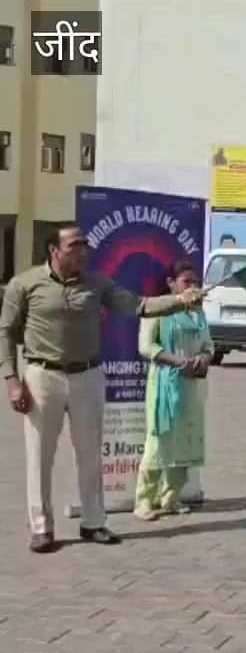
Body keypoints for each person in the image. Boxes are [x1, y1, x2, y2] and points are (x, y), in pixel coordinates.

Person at [0, 227, 203, 552]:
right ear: (55, 250)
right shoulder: (24, 284)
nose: (82, 250)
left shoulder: (98, 284)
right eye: (74, 245)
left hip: (88, 375)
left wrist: (180, 301)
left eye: (85, 244)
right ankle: (41, 528)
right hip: (42, 375)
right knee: (40, 455)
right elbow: (6, 333)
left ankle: (93, 522)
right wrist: (12, 381)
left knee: (91, 454)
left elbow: (139, 305)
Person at [134, 261, 215, 522]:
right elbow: (146, 347)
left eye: (196, 283)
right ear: (171, 283)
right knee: (159, 442)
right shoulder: (157, 308)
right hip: (165, 385)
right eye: (186, 282)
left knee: (185, 440)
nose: (192, 287)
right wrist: (179, 362)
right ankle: (145, 500)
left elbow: (208, 345)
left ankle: (170, 498)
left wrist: (203, 358)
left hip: (192, 385)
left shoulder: (198, 313)